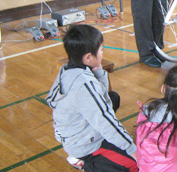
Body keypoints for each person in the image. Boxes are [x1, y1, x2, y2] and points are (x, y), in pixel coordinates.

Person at [45, 25, 138, 172]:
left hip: (77, 130)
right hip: (84, 144)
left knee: (113, 98)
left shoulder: (69, 69)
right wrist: (132, 149)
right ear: (88, 57)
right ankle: (85, 162)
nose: (102, 52)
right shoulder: (83, 85)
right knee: (134, 165)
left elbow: (103, 98)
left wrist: (99, 71)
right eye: (101, 50)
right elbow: (104, 119)